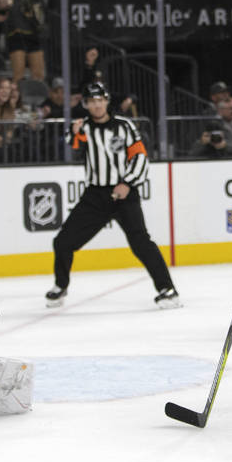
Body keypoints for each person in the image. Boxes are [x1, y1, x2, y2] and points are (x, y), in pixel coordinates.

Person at [45, 82, 179, 310]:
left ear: (107, 101)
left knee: (141, 242)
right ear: (86, 104)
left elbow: (140, 157)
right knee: (63, 242)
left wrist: (127, 183)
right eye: (91, 101)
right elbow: (70, 141)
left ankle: (168, 289)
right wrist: (74, 131)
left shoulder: (124, 126)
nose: (97, 105)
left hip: (124, 193)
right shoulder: (84, 128)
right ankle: (61, 285)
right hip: (96, 195)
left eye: (100, 100)